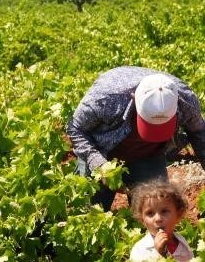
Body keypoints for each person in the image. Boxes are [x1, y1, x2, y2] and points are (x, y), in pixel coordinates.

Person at [66, 66, 205, 211]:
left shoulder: (186, 100)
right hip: (102, 150)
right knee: (90, 212)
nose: (155, 132)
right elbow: (75, 127)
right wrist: (97, 162)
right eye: (149, 124)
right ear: (134, 99)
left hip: (149, 155)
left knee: (155, 214)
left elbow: (199, 132)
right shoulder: (107, 98)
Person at [129, 180, 193, 261]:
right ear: (142, 220)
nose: (158, 219)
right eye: (150, 213)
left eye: (164, 211)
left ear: (178, 214)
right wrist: (160, 254)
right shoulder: (140, 250)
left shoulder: (181, 241)